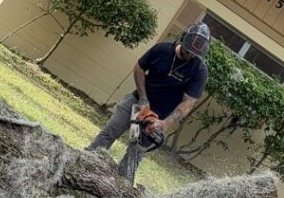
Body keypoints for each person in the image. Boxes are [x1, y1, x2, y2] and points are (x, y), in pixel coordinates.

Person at [88, 23, 211, 164]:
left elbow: (188, 102)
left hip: (159, 117)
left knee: (135, 153)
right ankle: (86, 159)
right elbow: (140, 67)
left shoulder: (200, 70)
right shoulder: (163, 49)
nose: (191, 56)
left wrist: (164, 124)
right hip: (137, 102)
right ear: (183, 41)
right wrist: (143, 98)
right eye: (189, 52)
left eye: (195, 55)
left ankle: (122, 180)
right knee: (110, 132)